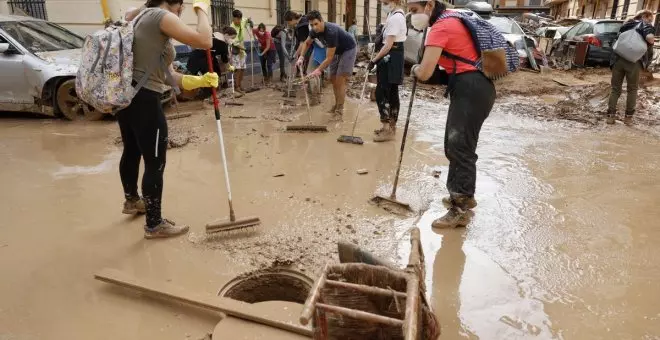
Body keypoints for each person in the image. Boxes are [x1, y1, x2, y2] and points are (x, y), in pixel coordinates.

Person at [118, 0, 217, 238]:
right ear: (175, 4)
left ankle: (132, 201)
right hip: (144, 99)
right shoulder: (160, 15)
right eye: (181, 6)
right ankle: (154, 225)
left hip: (127, 96)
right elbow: (205, 41)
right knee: (155, 162)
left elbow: (168, 75)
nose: (181, 11)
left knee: (132, 150)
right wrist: (202, 11)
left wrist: (199, 80)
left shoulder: (141, 17)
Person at [407, 0, 496, 228]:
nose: (412, 16)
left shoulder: (441, 27)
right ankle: (462, 194)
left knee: (460, 147)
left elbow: (425, 72)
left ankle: (460, 209)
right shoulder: (451, 19)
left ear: (429, 5)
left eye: (414, 10)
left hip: (471, 88)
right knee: (455, 144)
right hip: (475, 87)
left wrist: (415, 69)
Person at [297, 10, 358, 119]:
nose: (314, 27)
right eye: (311, 25)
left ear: (321, 21)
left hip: (348, 49)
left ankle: (340, 109)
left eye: (316, 24)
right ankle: (336, 105)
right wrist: (301, 57)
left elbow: (329, 58)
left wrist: (318, 70)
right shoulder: (314, 31)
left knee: (340, 80)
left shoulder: (331, 31)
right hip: (336, 51)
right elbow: (307, 43)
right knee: (332, 79)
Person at [606, 9, 655, 126]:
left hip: (618, 60)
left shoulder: (627, 24)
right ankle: (628, 119)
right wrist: (650, 42)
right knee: (632, 90)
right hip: (634, 62)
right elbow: (650, 38)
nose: (651, 22)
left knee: (615, 89)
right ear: (644, 16)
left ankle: (610, 117)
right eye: (650, 19)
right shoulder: (644, 25)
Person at [368, 0, 406, 142]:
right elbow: (387, 39)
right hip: (391, 55)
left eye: (385, 1)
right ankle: (387, 127)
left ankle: (389, 129)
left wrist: (374, 60)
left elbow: (389, 45)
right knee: (388, 92)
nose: (383, 4)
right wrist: (380, 35)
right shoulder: (393, 14)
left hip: (391, 56)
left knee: (384, 93)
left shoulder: (396, 17)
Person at [186, 26, 237, 98]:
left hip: (204, 56)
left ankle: (208, 93)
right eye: (232, 38)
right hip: (200, 58)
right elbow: (224, 59)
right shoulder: (222, 43)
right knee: (210, 76)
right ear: (226, 35)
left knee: (215, 72)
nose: (232, 40)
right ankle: (206, 95)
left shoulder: (215, 35)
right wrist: (229, 67)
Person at [230, 10, 254, 94]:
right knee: (238, 69)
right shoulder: (231, 28)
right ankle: (236, 87)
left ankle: (240, 85)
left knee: (243, 69)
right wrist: (243, 48)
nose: (239, 21)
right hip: (236, 51)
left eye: (240, 19)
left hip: (242, 52)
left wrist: (250, 21)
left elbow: (247, 20)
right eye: (237, 19)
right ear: (233, 18)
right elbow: (234, 42)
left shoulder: (242, 20)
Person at [284, 10, 312, 75]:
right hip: (306, 48)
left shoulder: (302, 26)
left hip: (309, 50)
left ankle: (308, 83)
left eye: (288, 22)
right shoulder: (303, 20)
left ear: (293, 19)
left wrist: (294, 55)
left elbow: (302, 43)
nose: (289, 24)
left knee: (307, 70)